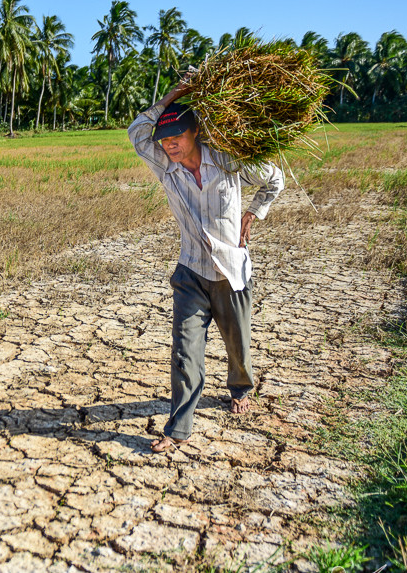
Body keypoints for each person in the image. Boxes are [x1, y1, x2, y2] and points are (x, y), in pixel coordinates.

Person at [128, 74, 284, 453]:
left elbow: (275, 179)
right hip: (191, 271)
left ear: (196, 131)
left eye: (177, 136)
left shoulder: (229, 160)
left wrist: (253, 212)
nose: (170, 145)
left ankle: (239, 389)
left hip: (230, 272)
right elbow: (137, 130)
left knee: (238, 345)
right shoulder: (165, 164)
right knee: (184, 351)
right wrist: (178, 93)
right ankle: (178, 428)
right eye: (165, 140)